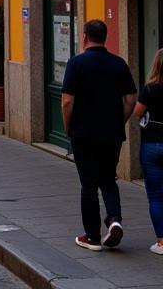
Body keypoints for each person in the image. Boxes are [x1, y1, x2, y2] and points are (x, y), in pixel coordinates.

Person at [62, 19, 137, 252]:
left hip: (83, 133)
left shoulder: (76, 64)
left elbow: (67, 101)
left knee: (88, 184)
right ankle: (114, 219)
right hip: (111, 134)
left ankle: (92, 237)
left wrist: (68, 127)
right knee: (107, 179)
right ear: (105, 37)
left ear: (84, 37)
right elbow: (130, 99)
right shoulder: (118, 64)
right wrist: (119, 121)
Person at [134, 47, 163, 255]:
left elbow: (137, 113)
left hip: (152, 145)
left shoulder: (150, 89)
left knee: (155, 195)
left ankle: (161, 242)